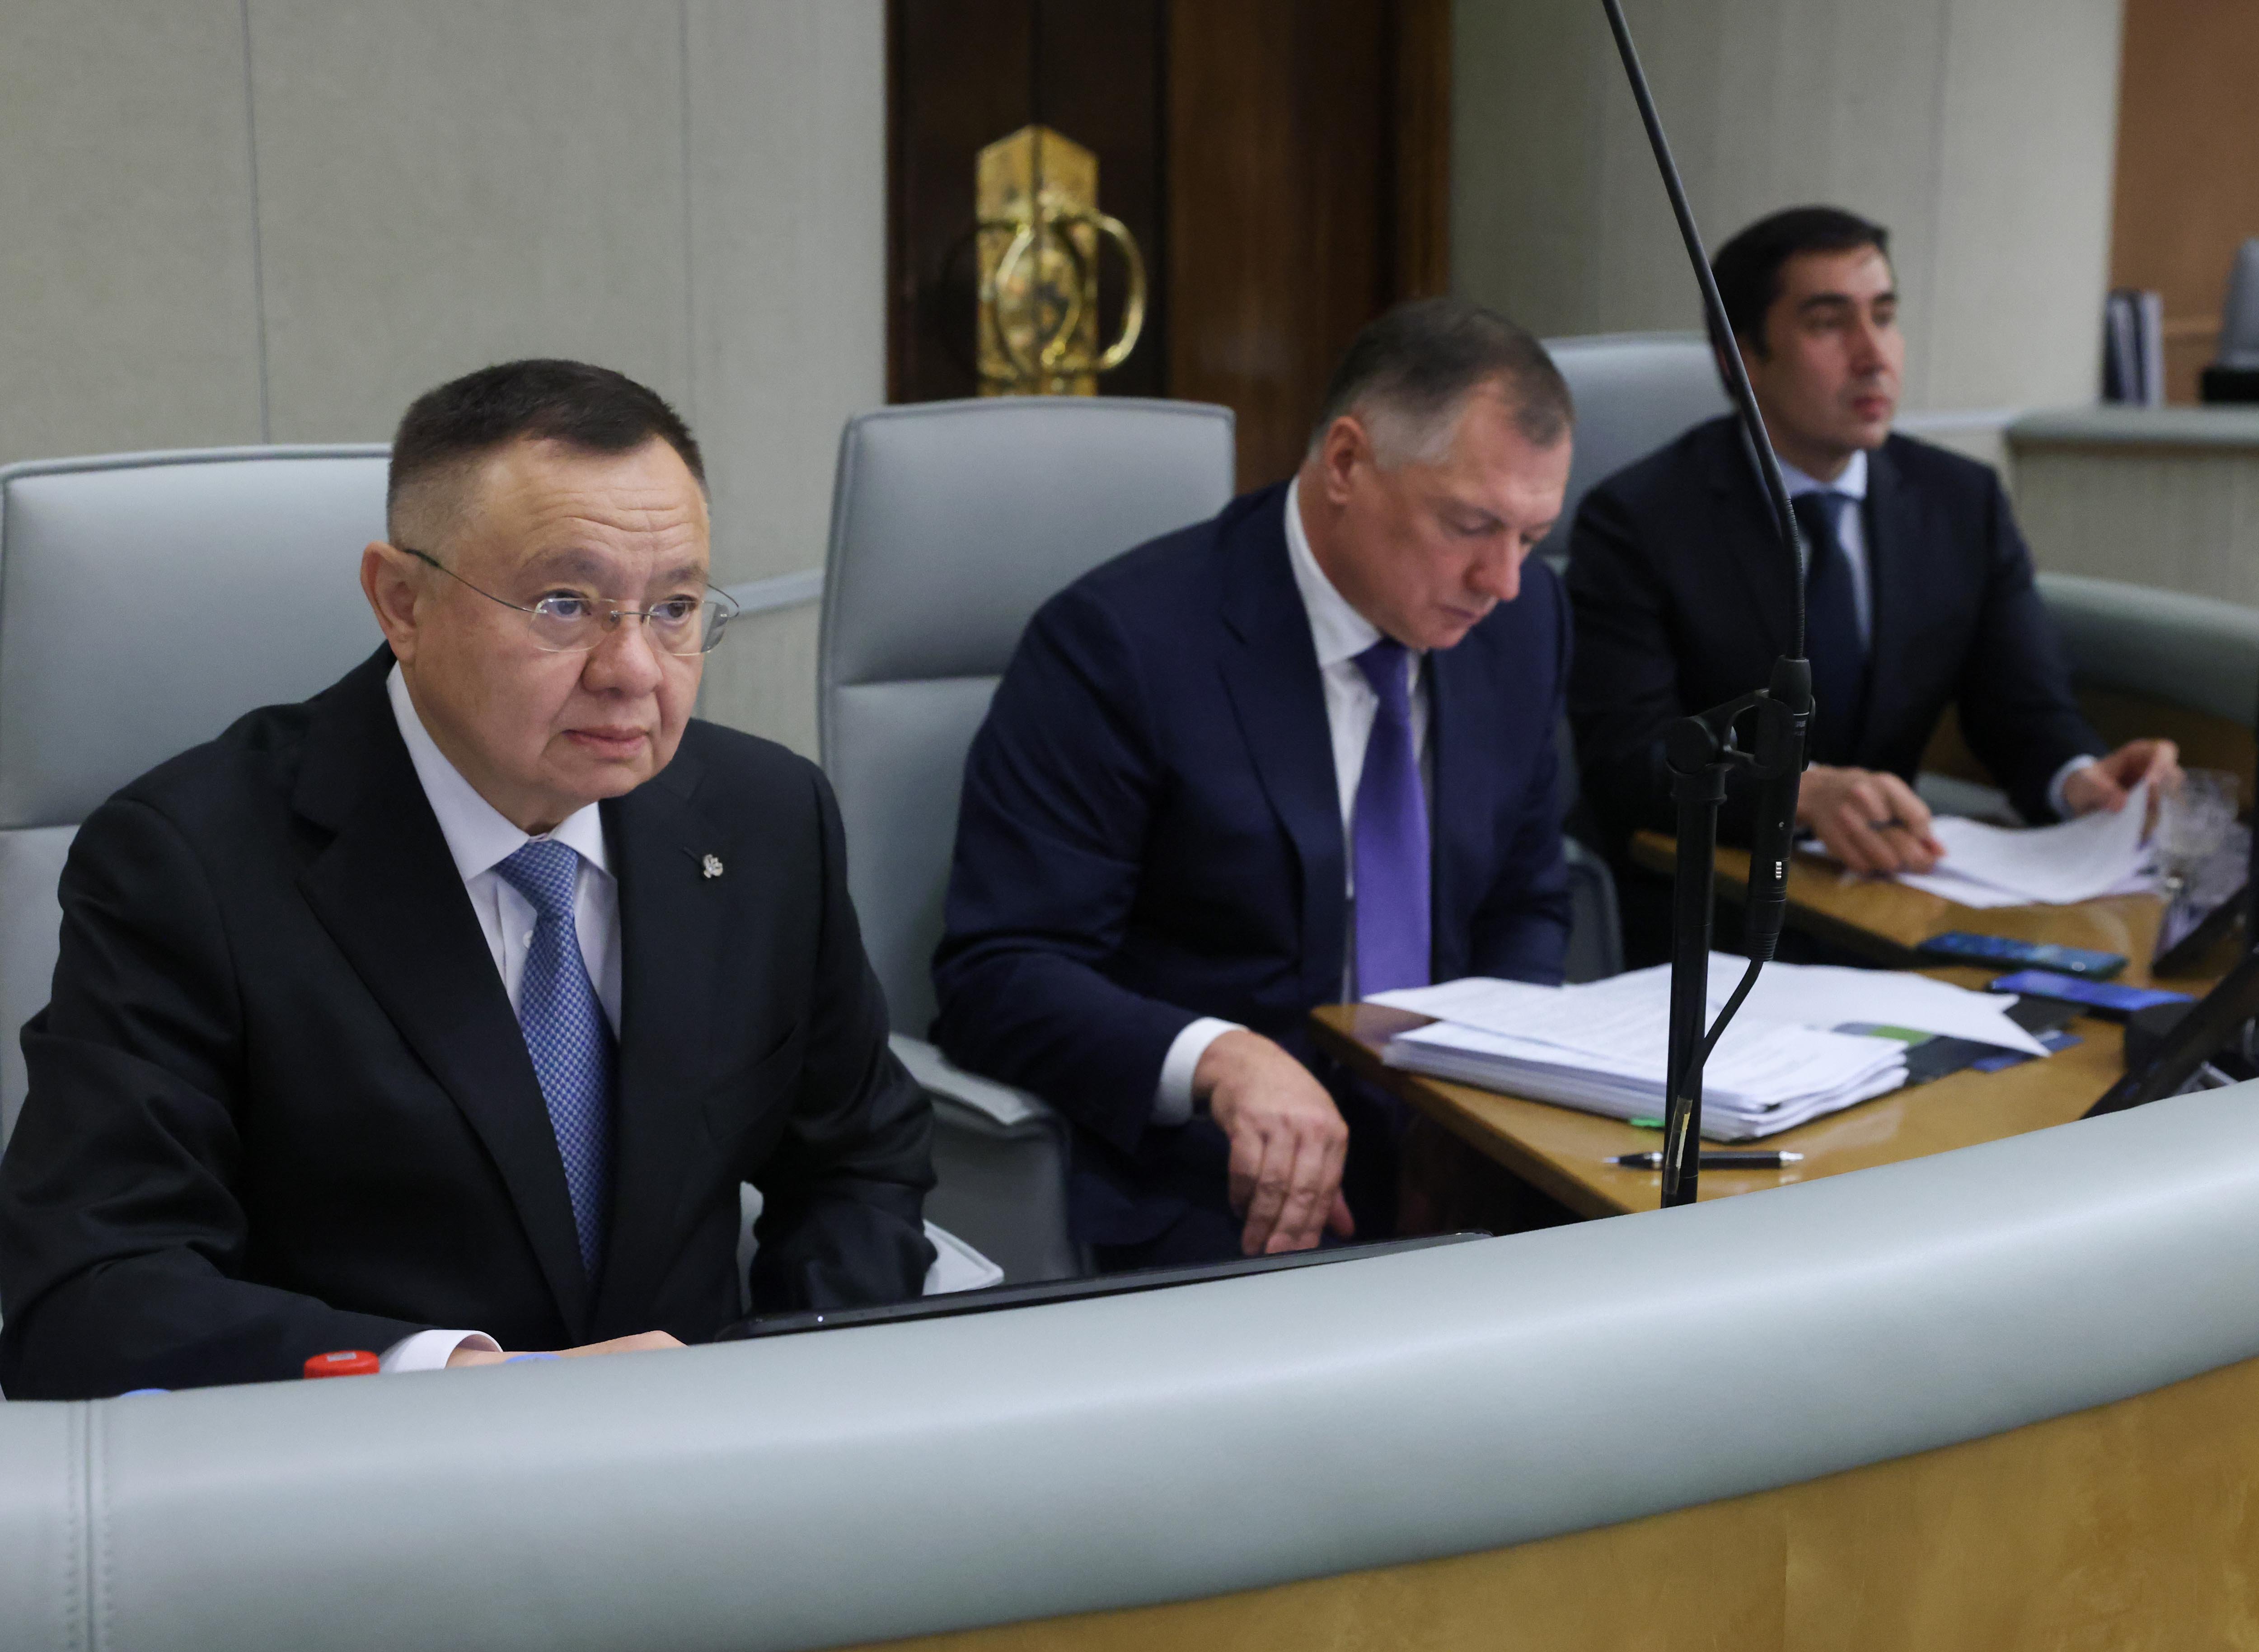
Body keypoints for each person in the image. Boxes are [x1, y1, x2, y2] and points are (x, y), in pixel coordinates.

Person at [0, 360, 935, 1399]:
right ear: (402, 602)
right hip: (371, 1468)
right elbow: (92, 1291)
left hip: (713, 1451)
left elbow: (859, 1161)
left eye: (674, 607)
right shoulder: (189, 864)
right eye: (565, 604)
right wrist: (466, 1378)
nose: (634, 670)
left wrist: (791, 1378)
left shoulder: (765, 819)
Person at [932, 299, 1576, 1270]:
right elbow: (1000, 972)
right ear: (1347, 462)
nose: (1504, 579)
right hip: (1217, 1179)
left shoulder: (1523, 627)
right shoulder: (1122, 645)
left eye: (1532, 536)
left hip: (1455, 1152)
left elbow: (1527, 900)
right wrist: (1219, 1058)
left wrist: (1489, 1090)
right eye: (1472, 525)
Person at [1567, 205, 2176, 904]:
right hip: (1713, 905)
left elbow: (2023, 708)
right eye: (1829, 324)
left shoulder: (1961, 501)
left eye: (1884, 317)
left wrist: (2081, 779)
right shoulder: (1639, 520)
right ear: (1742, 358)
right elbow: (1629, 762)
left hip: (1889, 895)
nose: (1873, 355)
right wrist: (1793, 792)